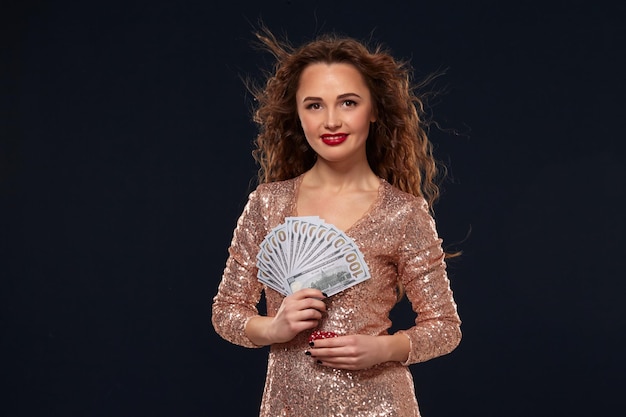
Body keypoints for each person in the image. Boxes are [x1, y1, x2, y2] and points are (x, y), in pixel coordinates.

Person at [211, 26, 462, 417]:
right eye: (314, 105)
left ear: (374, 109)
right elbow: (226, 311)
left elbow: (445, 327)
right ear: (297, 113)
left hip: (381, 404)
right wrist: (273, 329)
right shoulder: (267, 205)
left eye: (348, 102)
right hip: (287, 406)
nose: (331, 121)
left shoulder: (404, 213)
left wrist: (383, 349)